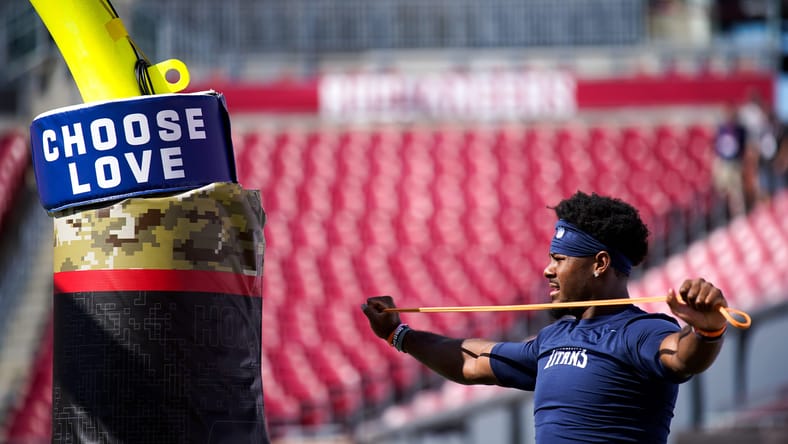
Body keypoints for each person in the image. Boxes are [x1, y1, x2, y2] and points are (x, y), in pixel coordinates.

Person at [362, 191, 730, 444]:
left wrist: (707, 330)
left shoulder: (642, 330)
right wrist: (399, 335)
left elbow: (682, 358)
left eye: (560, 259)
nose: (547, 270)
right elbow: (472, 362)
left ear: (600, 264)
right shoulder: (554, 338)